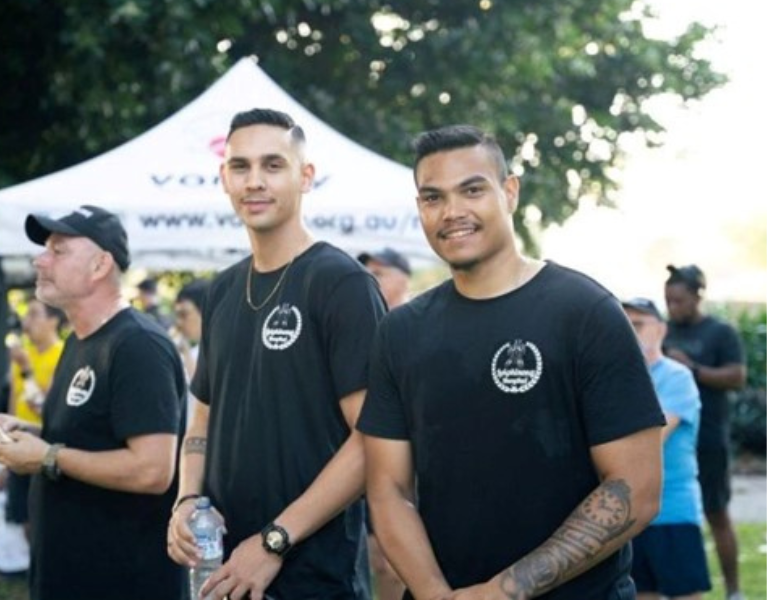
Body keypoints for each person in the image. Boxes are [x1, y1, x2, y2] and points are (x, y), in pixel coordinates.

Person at [357, 124, 666, 600]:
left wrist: (502, 592)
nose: (453, 212)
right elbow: (389, 489)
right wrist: (434, 594)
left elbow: (635, 487)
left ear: (510, 192)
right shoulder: (402, 331)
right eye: (433, 198)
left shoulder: (584, 312)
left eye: (473, 190)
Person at [166, 108, 386, 599]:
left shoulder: (341, 284)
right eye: (240, 167)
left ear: (305, 176)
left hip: (315, 577)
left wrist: (273, 542)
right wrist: (185, 502)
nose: (254, 181)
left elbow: (372, 440)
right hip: (223, 573)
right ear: (224, 178)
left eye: (273, 165)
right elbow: (199, 424)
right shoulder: (222, 290)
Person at [0, 205, 186, 600]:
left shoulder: (138, 345)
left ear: (100, 265)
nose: (40, 260)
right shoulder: (79, 340)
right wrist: (29, 433)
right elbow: (94, 436)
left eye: (58, 251)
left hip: (122, 582)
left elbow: (153, 469)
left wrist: (47, 455)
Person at [663, 264, 747, 600]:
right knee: (673, 515)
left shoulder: (720, 333)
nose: (672, 307)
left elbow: (737, 376)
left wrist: (693, 369)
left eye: (679, 300)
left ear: (698, 295)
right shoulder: (663, 332)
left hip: (709, 439)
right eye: (668, 300)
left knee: (717, 513)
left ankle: (733, 590)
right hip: (672, 443)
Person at [622, 297, 711, 600]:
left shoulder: (677, 377)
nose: (630, 333)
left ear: (660, 330)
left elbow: (649, 440)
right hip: (630, 516)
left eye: (637, 325)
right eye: (624, 325)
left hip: (672, 511)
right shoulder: (616, 379)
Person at [358, 248, 412, 600]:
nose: (371, 280)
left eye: (379, 272)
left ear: (403, 277)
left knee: (401, 565)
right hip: (368, 461)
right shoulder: (364, 325)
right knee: (379, 561)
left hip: (415, 466)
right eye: (367, 272)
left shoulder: (419, 323)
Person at [6, 299, 66, 537]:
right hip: (18, 444)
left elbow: (45, 408)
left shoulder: (62, 354)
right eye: (26, 315)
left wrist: (27, 370)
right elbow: (14, 399)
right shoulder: (24, 353)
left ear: (53, 320)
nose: (26, 322)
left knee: (42, 521)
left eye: (34, 315)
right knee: (24, 519)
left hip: (43, 445)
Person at [173, 279, 210, 420]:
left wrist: (186, 353)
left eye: (184, 314)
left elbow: (205, 391)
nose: (179, 322)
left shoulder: (229, 352)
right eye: (177, 315)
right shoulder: (190, 352)